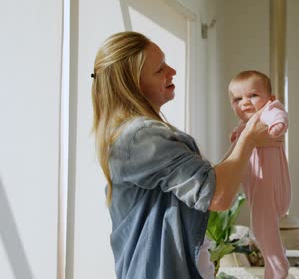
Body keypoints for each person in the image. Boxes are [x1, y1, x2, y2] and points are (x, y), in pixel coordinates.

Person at [91, 31, 275, 279]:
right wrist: (249, 139)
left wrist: (244, 138)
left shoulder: (138, 134)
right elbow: (218, 195)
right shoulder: (141, 138)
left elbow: (208, 182)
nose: (172, 71)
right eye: (159, 69)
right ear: (133, 85)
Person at [227, 70, 291, 279]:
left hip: (269, 184)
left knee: (262, 227)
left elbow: (279, 114)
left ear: (269, 98)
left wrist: (277, 125)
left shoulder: (267, 112)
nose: (245, 102)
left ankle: (278, 266)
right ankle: (273, 268)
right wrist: (238, 134)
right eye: (237, 99)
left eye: (252, 95)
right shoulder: (247, 125)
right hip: (256, 187)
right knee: (259, 229)